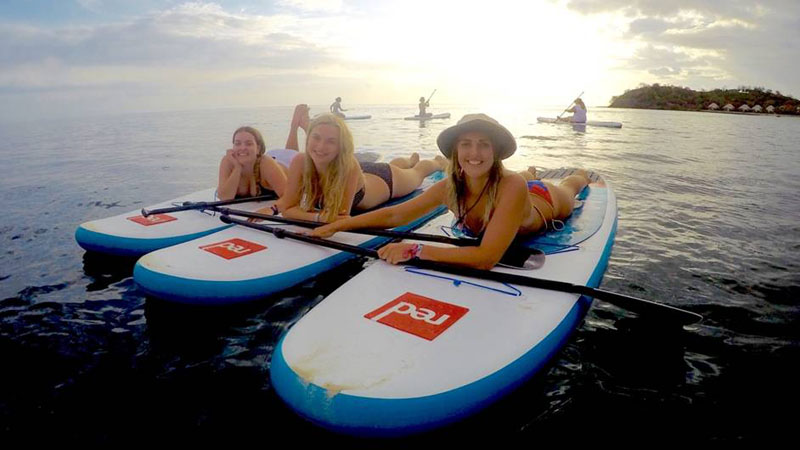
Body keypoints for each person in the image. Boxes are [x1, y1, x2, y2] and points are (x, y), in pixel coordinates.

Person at [310, 113, 590, 269]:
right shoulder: (449, 186)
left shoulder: (511, 185)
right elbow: (395, 216)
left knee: (569, 186)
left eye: (484, 144)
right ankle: (532, 170)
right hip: (515, 191)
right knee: (522, 177)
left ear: (495, 151)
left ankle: (580, 174)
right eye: (466, 144)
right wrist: (342, 224)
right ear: (456, 150)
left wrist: (416, 249)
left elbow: (485, 258)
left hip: (543, 200)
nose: (474, 153)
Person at [273, 113, 447, 222]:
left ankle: (437, 162)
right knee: (400, 166)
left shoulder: (347, 167)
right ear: (308, 137)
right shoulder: (300, 161)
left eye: (331, 141)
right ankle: (408, 160)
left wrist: (308, 216)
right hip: (365, 174)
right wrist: (317, 216)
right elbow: (288, 208)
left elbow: (337, 219)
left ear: (341, 146)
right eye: (316, 138)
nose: (320, 146)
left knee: (417, 173)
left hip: (387, 181)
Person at [216, 104, 309, 200]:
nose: (242, 147)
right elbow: (224, 197)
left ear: (258, 149)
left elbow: (289, 197)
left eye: (249, 144)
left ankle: (305, 127)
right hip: (276, 157)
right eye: (237, 143)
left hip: (289, 164)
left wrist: (270, 210)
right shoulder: (228, 161)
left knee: (311, 155)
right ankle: (294, 127)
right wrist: (237, 168)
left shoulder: (265, 164)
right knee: (290, 152)